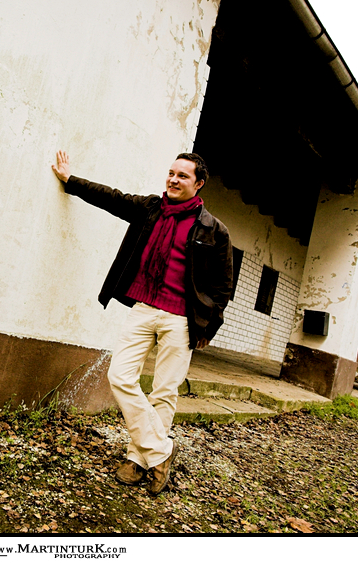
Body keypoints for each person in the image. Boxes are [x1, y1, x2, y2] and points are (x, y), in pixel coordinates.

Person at [51, 150, 232, 496]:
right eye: (171, 173)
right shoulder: (150, 208)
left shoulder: (214, 230)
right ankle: (161, 451)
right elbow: (111, 198)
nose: (173, 180)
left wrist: (208, 327)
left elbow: (223, 286)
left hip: (181, 318)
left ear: (198, 184)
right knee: (120, 376)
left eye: (182, 176)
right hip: (143, 307)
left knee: (164, 391)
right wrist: (70, 180)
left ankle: (138, 459)